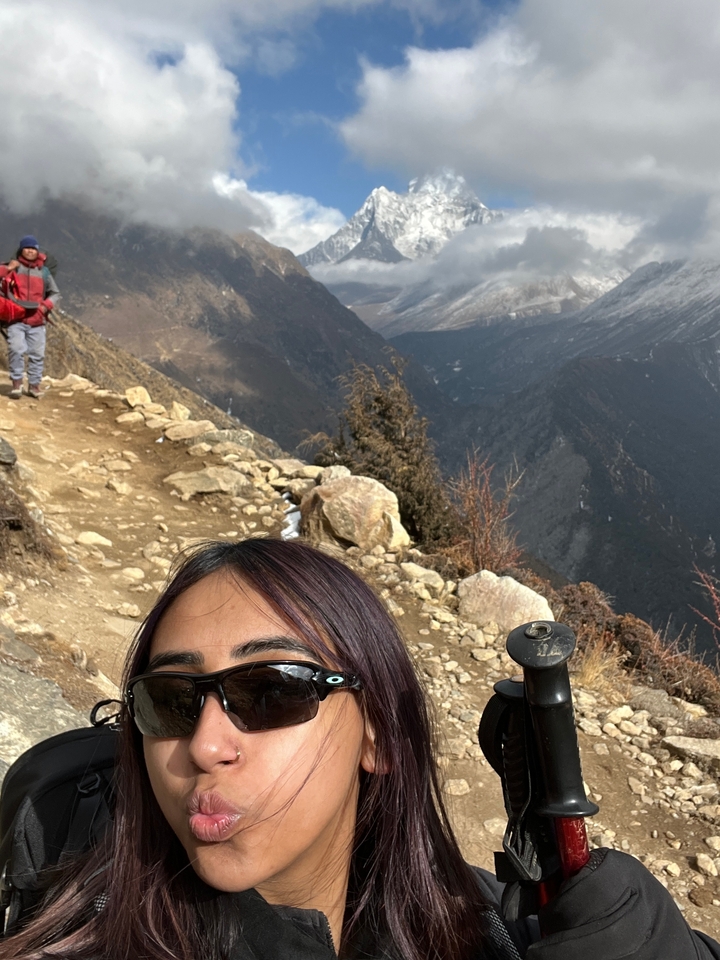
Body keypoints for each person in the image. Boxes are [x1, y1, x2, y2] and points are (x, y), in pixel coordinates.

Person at [0, 537, 717, 960]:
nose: (206, 745)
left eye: (272, 690)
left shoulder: (494, 922)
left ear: (377, 731)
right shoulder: (73, 931)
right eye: (172, 700)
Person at [0, 236, 59, 399]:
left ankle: (34, 386)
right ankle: (17, 384)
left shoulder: (44, 272)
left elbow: (55, 293)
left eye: (33, 248)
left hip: (37, 320)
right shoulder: (13, 268)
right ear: (21, 250)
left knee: (37, 355)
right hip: (16, 319)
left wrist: (45, 305)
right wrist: (8, 268)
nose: (30, 251)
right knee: (16, 350)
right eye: (27, 248)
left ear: (37, 251)